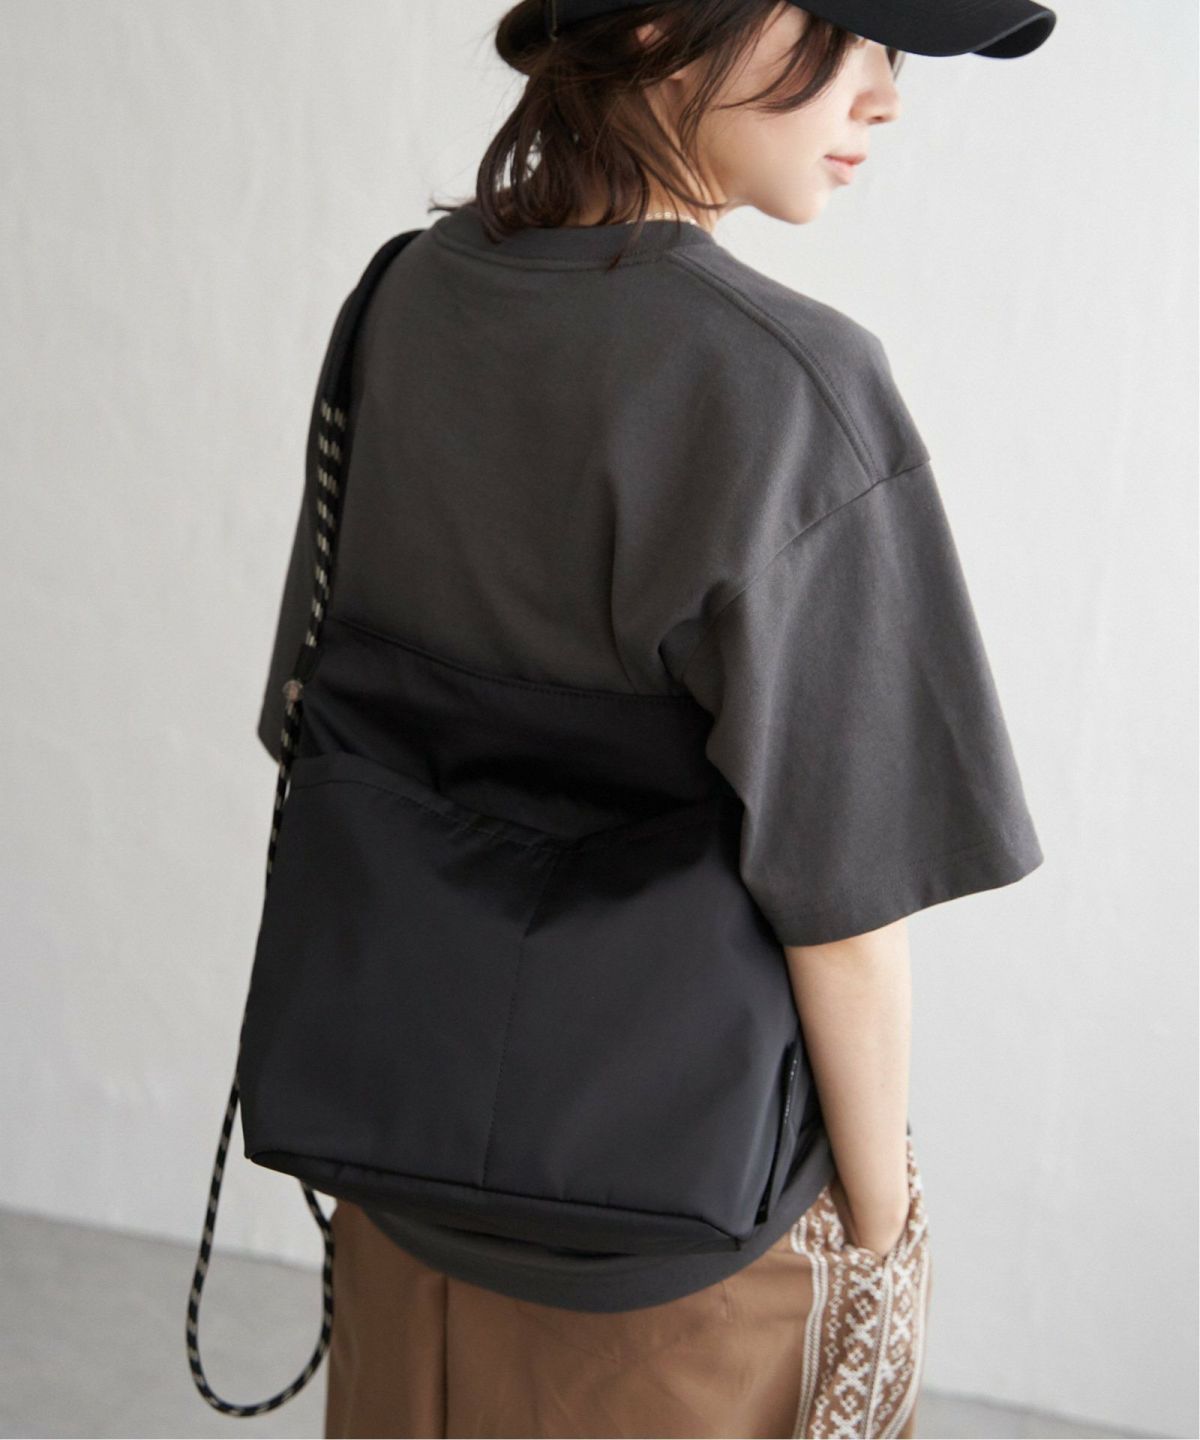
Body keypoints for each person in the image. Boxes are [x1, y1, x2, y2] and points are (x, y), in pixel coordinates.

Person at [254, 2, 1054, 1435]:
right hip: (684, 1262)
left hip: (397, 1182)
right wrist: (883, 1241)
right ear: (655, 19)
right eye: (849, 26)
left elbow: (318, 727)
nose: (885, 95)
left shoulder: (403, 302)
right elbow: (845, 912)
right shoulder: (792, 386)